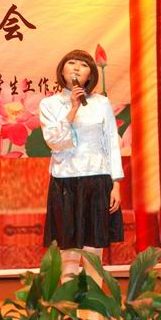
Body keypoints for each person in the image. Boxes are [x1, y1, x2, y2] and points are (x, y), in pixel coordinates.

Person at [40, 49, 124, 286]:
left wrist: (116, 183)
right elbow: (55, 142)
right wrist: (73, 109)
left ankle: (93, 306)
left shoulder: (101, 103)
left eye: (84, 65)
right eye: (72, 63)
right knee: (68, 252)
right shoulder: (49, 104)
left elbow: (111, 142)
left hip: (98, 179)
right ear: (62, 70)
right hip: (66, 181)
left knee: (94, 252)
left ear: (91, 74)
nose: (77, 68)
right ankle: (69, 306)